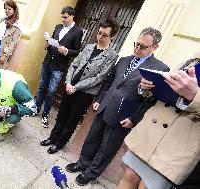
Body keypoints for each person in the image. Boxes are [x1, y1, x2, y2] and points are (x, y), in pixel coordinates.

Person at [65, 27, 170, 186]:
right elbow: (109, 82)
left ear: (155, 47)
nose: (137, 48)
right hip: (105, 105)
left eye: (143, 46)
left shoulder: (160, 69)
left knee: (108, 147)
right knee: (92, 138)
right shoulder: (123, 60)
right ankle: (82, 163)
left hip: (125, 114)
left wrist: (134, 119)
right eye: (137, 44)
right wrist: (99, 99)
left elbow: (152, 101)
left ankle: (91, 173)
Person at [117, 56, 200, 189]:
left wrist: (194, 96)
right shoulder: (193, 59)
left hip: (180, 140)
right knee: (129, 174)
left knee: (148, 186)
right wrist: (149, 87)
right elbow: (168, 88)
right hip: (153, 129)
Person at [40, 18, 120, 154]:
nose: (100, 37)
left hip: (85, 92)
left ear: (112, 37)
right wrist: (68, 82)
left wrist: (76, 87)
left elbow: (99, 78)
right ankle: (53, 137)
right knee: (62, 114)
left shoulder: (112, 55)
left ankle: (60, 143)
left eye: (104, 35)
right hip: (70, 85)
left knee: (72, 119)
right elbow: (74, 64)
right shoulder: (89, 47)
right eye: (99, 33)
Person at [35, 6, 83, 128]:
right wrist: (48, 44)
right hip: (48, 61)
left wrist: (66, 51)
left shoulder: (78, 31)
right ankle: (36, 108)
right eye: (62, 17)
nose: (63, 20)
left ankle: (45, 114)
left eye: (65, 17)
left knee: (51, 91)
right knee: (41, 87)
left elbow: (77, 51)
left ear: (72, 16)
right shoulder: (58, 27)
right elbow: (51, 40)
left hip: (59, 66)